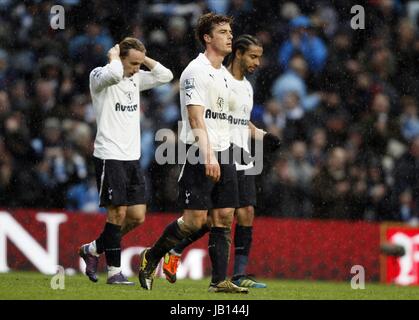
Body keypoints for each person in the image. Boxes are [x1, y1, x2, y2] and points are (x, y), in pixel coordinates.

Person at [137, 13, 248, 293]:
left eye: (230, 31)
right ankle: (152, 256)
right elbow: (196, 118)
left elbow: (229, 118)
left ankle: (218, 282)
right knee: (194, 221)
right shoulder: (195, 72)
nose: (229, 36)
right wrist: (209, 155)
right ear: (208, 38)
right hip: (199, 153)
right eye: (223, 31)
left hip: (226, 153)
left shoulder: (225, 75)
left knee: (223, 217)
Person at [161, 35, 280, 288]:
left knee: (246, 212)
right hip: (221, 153)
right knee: (211, 219)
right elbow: (210, 118)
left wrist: (263, 136)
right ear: (238, 53)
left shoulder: (247, 87)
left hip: (242, 156)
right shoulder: (218, 79)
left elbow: (240, 121)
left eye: (259, 57)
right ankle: (174, 251)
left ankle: (238, 275)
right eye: (253, 56)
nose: (257, 62)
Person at [78, 37, 173, 285]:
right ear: (119, 59)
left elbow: (166, 76)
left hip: (132, 157)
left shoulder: (135, 78)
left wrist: (143, 58)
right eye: (132, 63)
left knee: (137, 216)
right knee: (117, 211)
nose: (136, 69)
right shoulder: (100, 76)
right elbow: (112, 75)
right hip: (110, 154)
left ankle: (94, 248)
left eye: (139, 65)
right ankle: (114, 273)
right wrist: (113, 58)